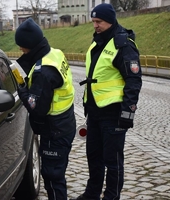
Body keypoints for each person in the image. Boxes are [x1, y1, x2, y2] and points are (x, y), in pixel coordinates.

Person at [71, 3, 142, 200]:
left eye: (99, 21)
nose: (95, 25)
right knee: (94, 157)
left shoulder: (123, 44)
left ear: (110, 20)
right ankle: (92, 194)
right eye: (93, 21)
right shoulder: (98, 42)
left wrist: (128, 114)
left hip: (113, 113)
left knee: (113, 161)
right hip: (94, 112)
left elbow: (134, 81)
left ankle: (111, 196)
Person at [14, 18, 76, 200]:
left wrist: (22, 90)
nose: (20, 49)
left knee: (52, 176)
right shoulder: (54, 53)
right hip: (65, 123)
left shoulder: (43, 72)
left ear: (30, 45)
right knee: (56, 173)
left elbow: (37, 107)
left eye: (22, 46)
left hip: (54, 130)